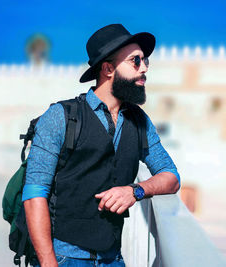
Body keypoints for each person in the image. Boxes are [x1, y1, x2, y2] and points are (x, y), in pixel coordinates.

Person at [23, 24, 180, 267]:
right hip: (64, 258)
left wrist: (135, 191)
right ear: (108, 69)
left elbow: (171, 177)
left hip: (113, 259)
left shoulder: (139, 122)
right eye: (135, 61)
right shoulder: (61, 116)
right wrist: (48, 262)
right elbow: (34, 194)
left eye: (145, 60)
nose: (145, 68)